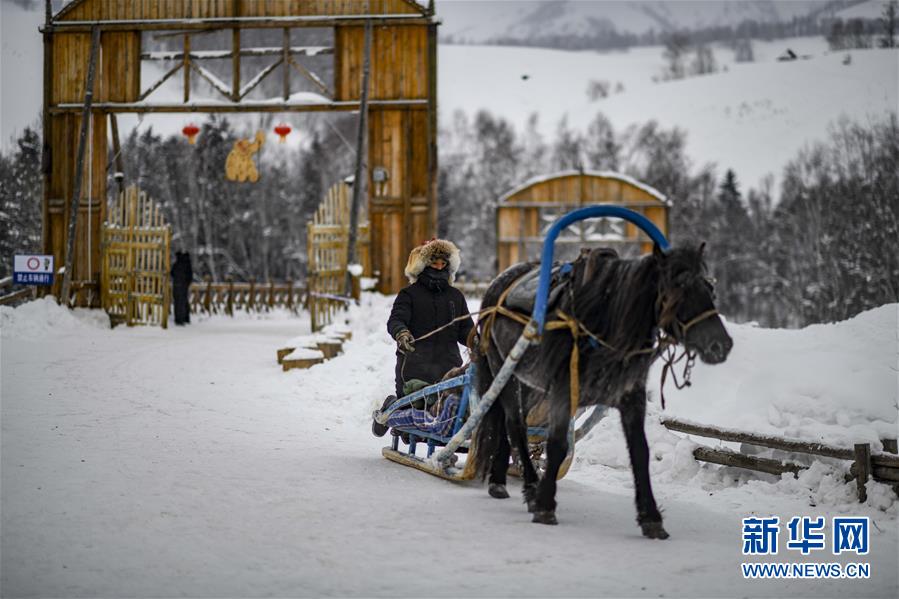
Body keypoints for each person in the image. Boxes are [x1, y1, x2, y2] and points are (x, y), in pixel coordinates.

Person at [372, 239, 474, 437]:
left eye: (443, 263)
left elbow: (466, 329)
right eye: (434, 263)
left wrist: (476, 340)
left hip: (448, 368)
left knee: (446, 417)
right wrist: (402, 333)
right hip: (414, 367)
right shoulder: (409, 294)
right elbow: (396, 320)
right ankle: (389, 411)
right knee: (412, 427)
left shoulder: (456, 297)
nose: (439, 267)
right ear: (423, 265)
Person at [171, 251, 193, 325]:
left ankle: (178, 319)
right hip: (184, 286)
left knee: (177, 302)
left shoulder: (176, 264)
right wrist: (187, 284)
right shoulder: (187, 264)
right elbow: (190, 276)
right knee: (184, 302)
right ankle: (185, 318)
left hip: (176, 285)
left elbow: (172, 273)